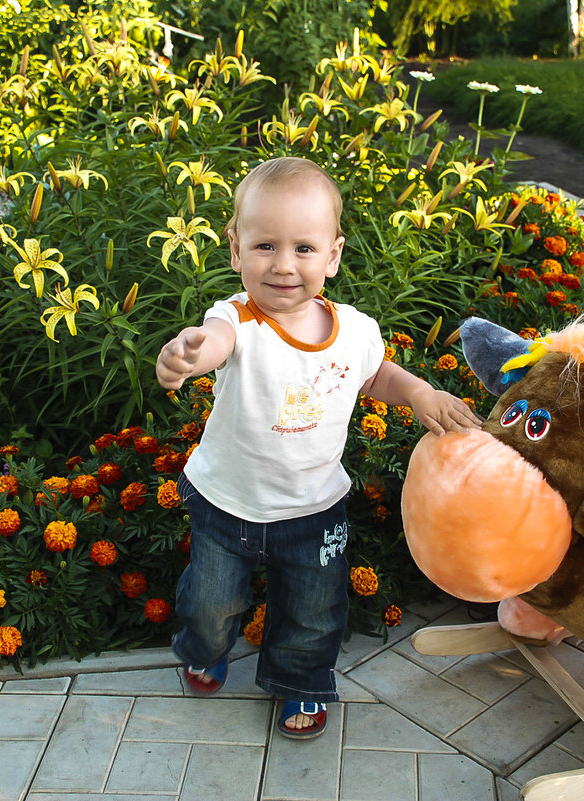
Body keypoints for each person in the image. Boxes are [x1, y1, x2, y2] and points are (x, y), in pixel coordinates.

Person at [155, 156, 482, 740]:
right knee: (211, 601)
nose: (283, 266)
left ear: (333, 254)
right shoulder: (237, 319)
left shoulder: (355, 330)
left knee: (312, 610)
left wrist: (419, 393)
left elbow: (375, 375)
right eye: (264, 246)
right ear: (234, 249)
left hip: (313, 508)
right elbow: (215, 344)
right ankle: (203, 647)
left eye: (304, 248)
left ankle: (301, 681)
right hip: (226, 502)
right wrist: (188, 354)